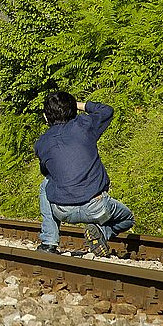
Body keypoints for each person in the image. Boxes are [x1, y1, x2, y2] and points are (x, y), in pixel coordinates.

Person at [34, 91, 134, 256]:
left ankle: (49, 243)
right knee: (127, 218)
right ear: (74, 111)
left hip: (62, 210)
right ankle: (102, 233)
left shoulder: (42, 143)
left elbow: (47, 173)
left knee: (46, 184)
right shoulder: (84, 125)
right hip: (97, 207)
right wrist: (78, 105)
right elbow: (106, 110)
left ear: (46, 117)